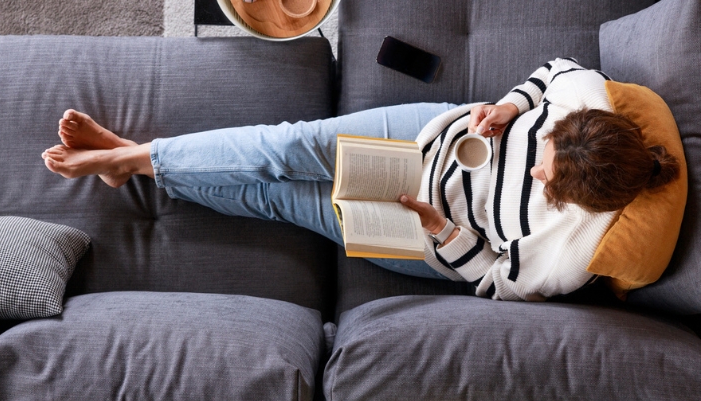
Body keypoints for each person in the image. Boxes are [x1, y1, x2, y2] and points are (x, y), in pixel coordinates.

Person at [42, 58, 679, 301]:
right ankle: (129, 160)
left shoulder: (567, 253)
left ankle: (139, 162)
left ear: (568, 199)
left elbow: (493, 277)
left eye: (543, 171)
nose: (535, 154)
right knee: (283, 145)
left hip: (419, 229)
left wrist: (440, 229)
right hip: (429, 135)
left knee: (275, 197)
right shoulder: (582, 103)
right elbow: (553, 73)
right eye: (543, 140)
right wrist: (511, 108)